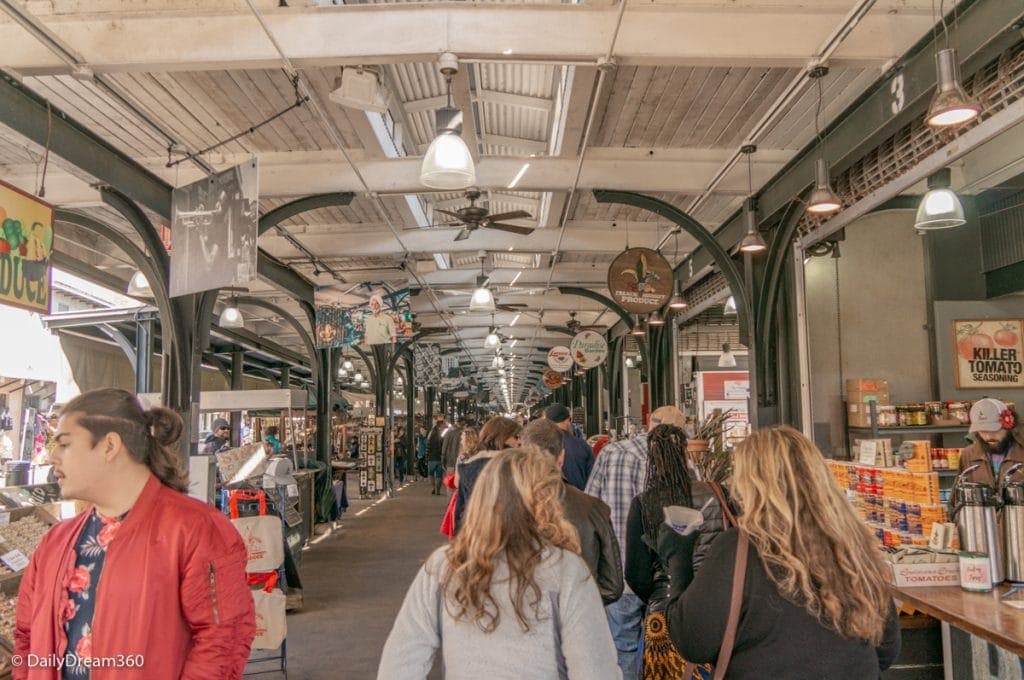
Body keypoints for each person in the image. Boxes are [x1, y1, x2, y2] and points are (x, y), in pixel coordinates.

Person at [15, 388, 255, 679]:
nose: (52, 456)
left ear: (110, 445)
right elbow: (26, 636)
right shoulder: (54, 543)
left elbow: (222, 640)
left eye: (64, 444)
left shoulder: (196, 530)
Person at [660, 426, 900, 679]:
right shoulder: (855, 546)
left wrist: (679, 559)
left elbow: (692, 641)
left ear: (752, 485)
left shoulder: (739, 549)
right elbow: (886, 650)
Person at [378, 448, 621, 680]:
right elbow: (596, 669)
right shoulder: (567, 571)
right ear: (547, 501)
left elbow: (400, 663)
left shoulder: (444, 566)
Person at [584, 405, 687, 680]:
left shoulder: (611, 453)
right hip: (666, 579)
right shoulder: (681, 464)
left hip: (620, 573)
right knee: (667, 651)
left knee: (622, 647)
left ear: (649, 423)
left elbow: (591, 505)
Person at [624, 423, 728, 679]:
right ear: (685, 453)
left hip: (664, 610)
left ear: (651, 459)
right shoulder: (718, 494)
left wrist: (660, 592)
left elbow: (635, 573)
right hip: (715, 604)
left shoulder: (644, 503)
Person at [521, 418, 623, 606]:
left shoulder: (499, 507)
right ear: (561, 457)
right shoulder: (594, 508)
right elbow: (612, 586)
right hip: (581, 620)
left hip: (522, 623)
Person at [453, 417, 522, 535]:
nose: (519, 441)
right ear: (502, 438)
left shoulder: (468, 465)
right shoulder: (515, 466)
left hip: (476, 535)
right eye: (516, 437)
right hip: (510, 537)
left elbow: (461, 510)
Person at [958, 398, 1024, 487]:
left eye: (994, 430)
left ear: (1009, 424)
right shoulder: (969, 455)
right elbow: (959, 493)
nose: (988, 437)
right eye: (982, 431)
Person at [544, 403, 594, 490]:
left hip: (550, 500)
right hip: (580, 499)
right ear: (568, 419)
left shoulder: (539, 445)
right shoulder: (582, 445)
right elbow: (593, 478)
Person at [426, 417, 446, 495]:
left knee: (431, 474)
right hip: (440, 457)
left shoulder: (431, 433)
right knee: (439, 475)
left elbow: (428, 446)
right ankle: (438, 490)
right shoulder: (443, 434)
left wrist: (427, 456)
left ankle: (433, 487)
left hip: (431, 457)